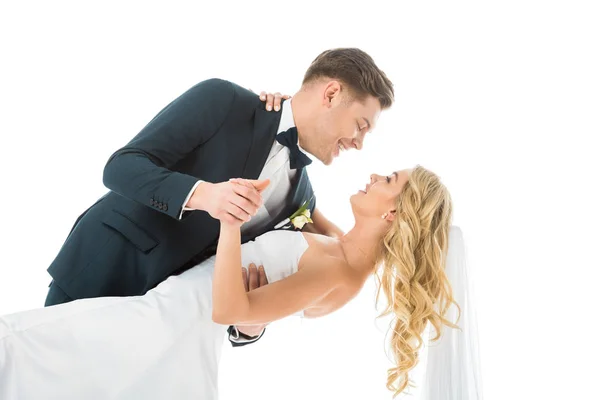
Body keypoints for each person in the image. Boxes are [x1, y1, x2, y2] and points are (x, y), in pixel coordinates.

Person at [0, 166, 475, 399]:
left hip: (167, 323)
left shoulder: (339, 270)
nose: (374, 173)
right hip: (171, 320)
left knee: (26, 352)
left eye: (388, 178)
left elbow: (231, 311)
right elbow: (299, 200)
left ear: (392, 213)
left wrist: (229, 221)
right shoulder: (341, 249)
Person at [44, 47, 394, 344]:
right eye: (361, 126)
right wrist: (204, 195)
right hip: (103, 272)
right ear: (331, 94)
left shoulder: (301, 198)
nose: (359, 143)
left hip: (165, 326)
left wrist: (250, 327)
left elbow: (345, 253)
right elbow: (121, 167)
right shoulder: (225, 101)